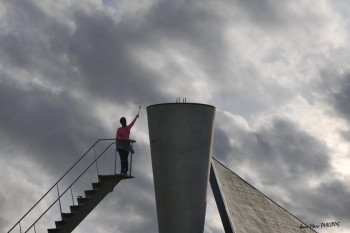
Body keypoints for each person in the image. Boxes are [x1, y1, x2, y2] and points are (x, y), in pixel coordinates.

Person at [116, 111, 139, 175]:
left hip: (120, 146)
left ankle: (122, 171)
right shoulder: (128, 128)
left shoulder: (119, 129)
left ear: (120, 123)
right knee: (125, 159)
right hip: (126, 145)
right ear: (125, 121)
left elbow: (117, 138)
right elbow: (132, 123)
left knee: (122, 159)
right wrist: (136, 117)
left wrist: (116, 147)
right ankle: (125, 171)